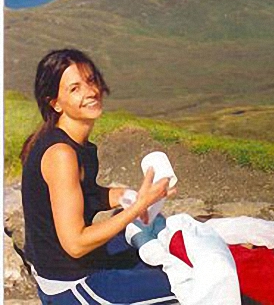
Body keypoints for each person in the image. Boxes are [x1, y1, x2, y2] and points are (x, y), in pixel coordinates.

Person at [20, 48, 179, 305]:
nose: (90, 91)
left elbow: (82, 194)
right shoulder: (61, 154)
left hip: (77, 266)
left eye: (91, 80)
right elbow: (75, 244)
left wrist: (127, 197)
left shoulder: (71, 143)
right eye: (75, 88)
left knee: (165, 254)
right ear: (55, 103)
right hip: (70, 286)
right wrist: (138, 206)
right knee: (188, 281)